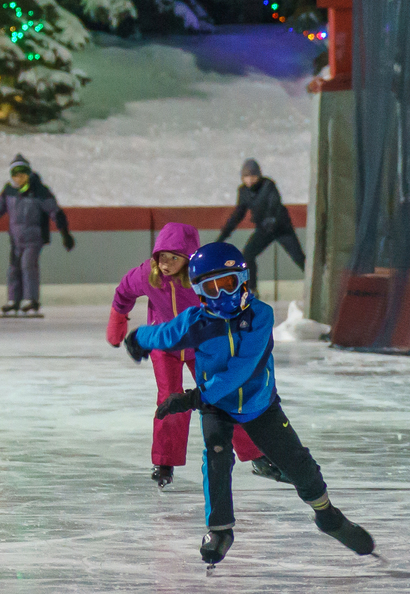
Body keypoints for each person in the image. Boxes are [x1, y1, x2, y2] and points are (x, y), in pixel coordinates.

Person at [125, 241, 376, 566]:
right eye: (211, 288)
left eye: (227, 283)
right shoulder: (196, 321)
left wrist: (192, 398)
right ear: (199, 291)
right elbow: (166, 334)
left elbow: (241, 370)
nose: (222, 295)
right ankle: (220, 529)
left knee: (296, 462)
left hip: (258, 404)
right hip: (215, 407)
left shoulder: (260, 316)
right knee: (215, 458)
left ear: (242, 279)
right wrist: (139, 339)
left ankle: (326, 514)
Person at [107, 221, 264, 487]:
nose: (166, 263)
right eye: (162, 257)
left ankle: (255, 454)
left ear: (189, 258)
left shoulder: (200, 279)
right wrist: (118, 318)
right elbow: (123, 291)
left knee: (223, 394)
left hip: (201, 345)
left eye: (174, 258)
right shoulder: (147, 274)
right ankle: (164, 461)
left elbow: (227, 301)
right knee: (169, 399)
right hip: (165, 345)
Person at [0, 158, 73, 317]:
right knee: (13, 268)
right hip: (16, 239)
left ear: (28, 175)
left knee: (28, 265)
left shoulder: (39, 191)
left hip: (34, 237)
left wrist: (65, 233)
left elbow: (55, 211)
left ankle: (31, 300)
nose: (18, 179)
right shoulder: (9, 191)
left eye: (22, 175)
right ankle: (13, 300)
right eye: (15, 176)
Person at [220, 159, 305, 281]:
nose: (249, 180)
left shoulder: (268, 185)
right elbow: (238, 214)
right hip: (264, 230)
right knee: (247, 255)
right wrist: (224, 235)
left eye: (252, 176)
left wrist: (271, 219)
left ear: (258, 176)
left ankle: (317, 283)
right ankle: (252, 289)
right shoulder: (243, 191)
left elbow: (274, 203)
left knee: (299, 257)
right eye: (246, 177)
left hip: (281, 229)